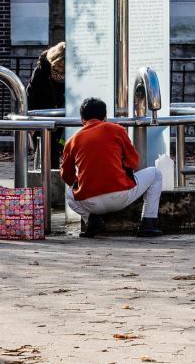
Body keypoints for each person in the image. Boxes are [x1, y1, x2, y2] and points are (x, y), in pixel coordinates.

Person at [60, 97, 163, 239]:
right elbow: (133, 161)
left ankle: (92, 220)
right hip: (120, 196)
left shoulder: (71, 140)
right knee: (156, 174)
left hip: (90, 203)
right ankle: (148, 223)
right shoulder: (117, 130)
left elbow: (66, 176)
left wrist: (82, 181)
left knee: (69, 196)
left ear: (82, 119)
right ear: (105, 117)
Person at [26, 41, 65, 166]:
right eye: (58, 66)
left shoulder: (71, 75)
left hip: (63, 117)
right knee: (49, 153)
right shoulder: (41, 72)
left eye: (64, 67)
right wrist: (31, 121)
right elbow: (31, 95)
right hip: (44, 117)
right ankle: (50, 180)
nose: (61, 71)